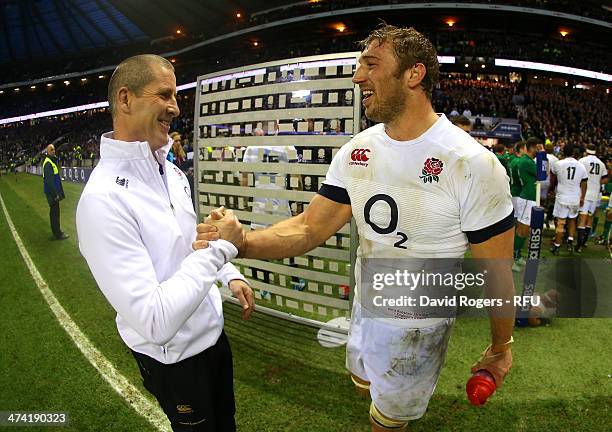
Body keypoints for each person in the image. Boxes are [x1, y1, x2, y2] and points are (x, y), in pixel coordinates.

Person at [198, 25, 515, 432]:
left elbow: (497, 272)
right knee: (363, 383)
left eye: (371, 64)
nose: (357, 77)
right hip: (365, 305)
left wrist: (501, 346)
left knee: (386, 423)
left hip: (416, 326)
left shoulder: (471, 163)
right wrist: (242, 242)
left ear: (413, 74)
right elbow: (310, 227)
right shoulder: (357, 149)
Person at [76, 54, 254, 432]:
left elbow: (190, 241)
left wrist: (228, 272)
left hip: (212, 337)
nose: (175, 107)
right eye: (164, 94)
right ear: (125, 99)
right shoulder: (102, 200)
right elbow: (154, 321)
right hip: (174, 360)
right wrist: (226, 247)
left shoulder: (172, 172)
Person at [549, 144, 588, 255]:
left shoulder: (558, 164)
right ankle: (570, 242)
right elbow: (584, 182)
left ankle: (557, 246)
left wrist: (551, 190)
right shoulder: (581, 166)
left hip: (562, 196)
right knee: (572, 220)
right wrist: (582, 197)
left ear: (564, 152)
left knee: (561, 222)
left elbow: (553, 179)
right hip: (575, 197)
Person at [513, 137, 538, 271]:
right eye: (538, 148)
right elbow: (543, 174)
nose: (539, 151)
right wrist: (543, 157)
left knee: (524, 230)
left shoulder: (526, 161)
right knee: (522, 229)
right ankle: (512, 258)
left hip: (530, 197)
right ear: (532, 147)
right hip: (527, 197)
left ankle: (517, 256)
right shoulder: (526, 162)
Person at [576, 144, 607, 251]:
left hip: (584, 193)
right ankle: (584, 242)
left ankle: (578, 245)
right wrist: (597, 183)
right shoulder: (601, 163)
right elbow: (605, 178)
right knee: (590, 218)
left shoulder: (582, 161)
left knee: (582, 218)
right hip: (595, 194)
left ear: (586, 151)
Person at [42, 144, 69, 240]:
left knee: (54, 213)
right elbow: (49, 181)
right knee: (55, 213)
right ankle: (58, 234)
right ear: (48, 152)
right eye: (51, 150)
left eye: (54, 149)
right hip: (52, 194)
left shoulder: (50, 161)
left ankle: (56, 232)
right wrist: (56, 194)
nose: (53, 151)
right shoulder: (48, 163)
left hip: (52, 193)